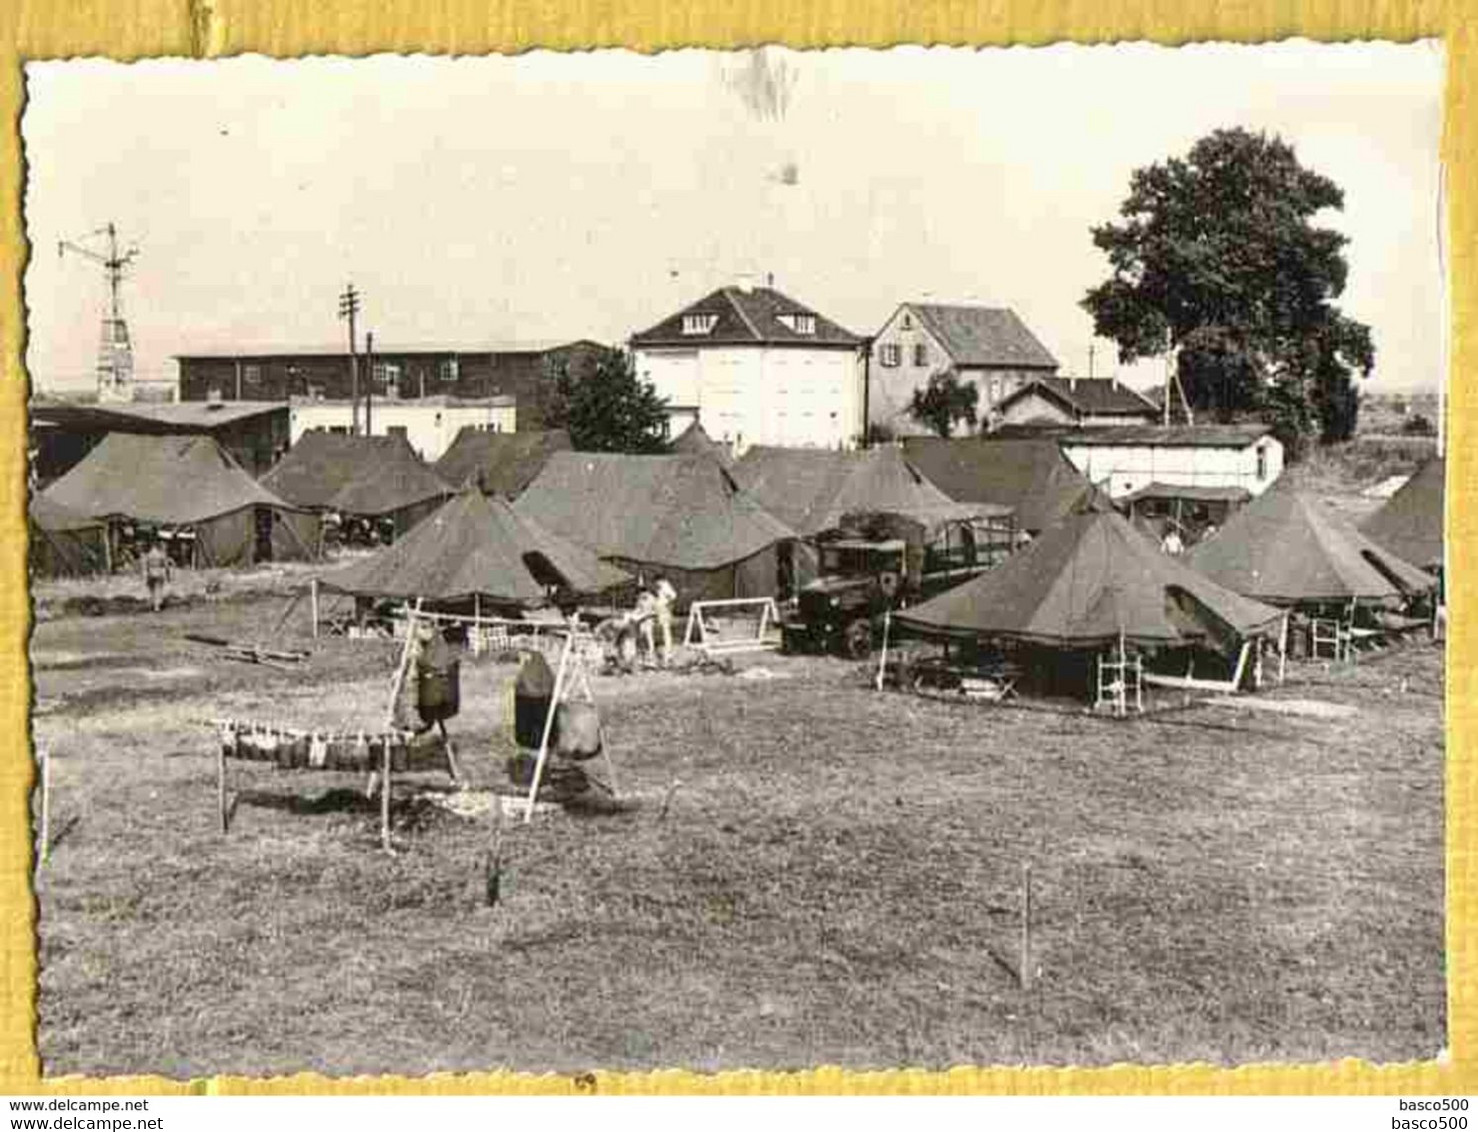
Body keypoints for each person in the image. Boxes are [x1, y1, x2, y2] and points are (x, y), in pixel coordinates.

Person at [141, 539, 172, 612]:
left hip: (151, 572)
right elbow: (166, 565)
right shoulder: (161, 554)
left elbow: (145, 566)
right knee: (158, 589)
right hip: (159, 571)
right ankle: (157, 606)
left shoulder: (148, 555)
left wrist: (145, 575)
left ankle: (153, 603)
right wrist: (168, 575)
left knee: (152, 589)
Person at [653, 578, 678, 666]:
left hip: (664, 611)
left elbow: (673, 596)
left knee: (666, 632)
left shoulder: (665, 586)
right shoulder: (660, 587)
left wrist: (667, 604)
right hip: (660, 611)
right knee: (662, 631)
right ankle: (662, 651)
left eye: (656, 581)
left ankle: (668, 653)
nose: (656, 583)